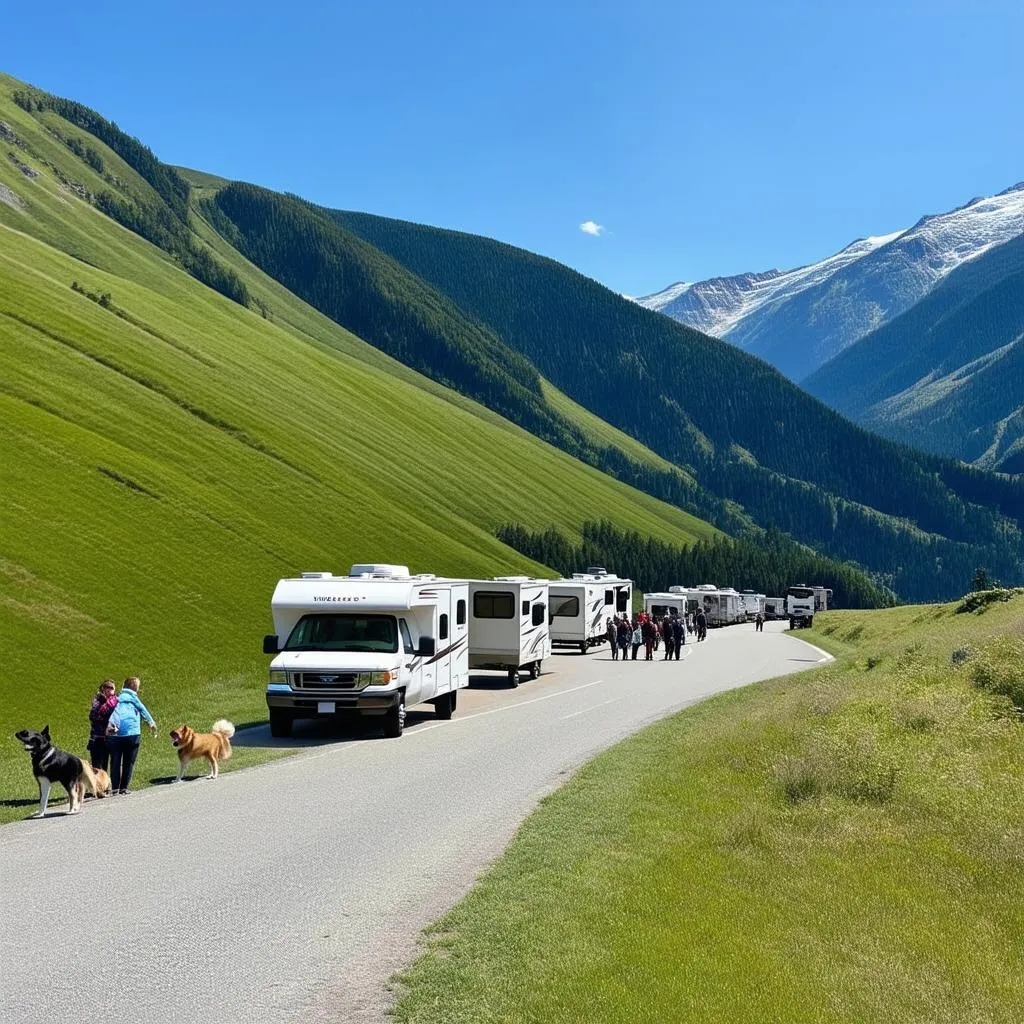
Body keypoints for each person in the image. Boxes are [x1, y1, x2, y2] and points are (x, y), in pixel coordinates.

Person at [106, 676, 157, 795]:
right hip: (132, 734)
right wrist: (151, 723)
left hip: (115, 735)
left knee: (115, 761)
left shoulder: (117, 699)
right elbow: (143, 711)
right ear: (135, 687)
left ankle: (114, 788)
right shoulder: (134, 699)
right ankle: (124, 788)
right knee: (129, 762)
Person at [87, 678, 118, 772]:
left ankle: (105, 785)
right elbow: (93, 716)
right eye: (110, 688)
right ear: (104, 689)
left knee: (106, 766)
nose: (112, 690)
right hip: (98, 738)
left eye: (113, 688)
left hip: (110, 737)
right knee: (97, 767)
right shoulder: (98, 700)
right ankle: (97, 786)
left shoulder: (115, 701)